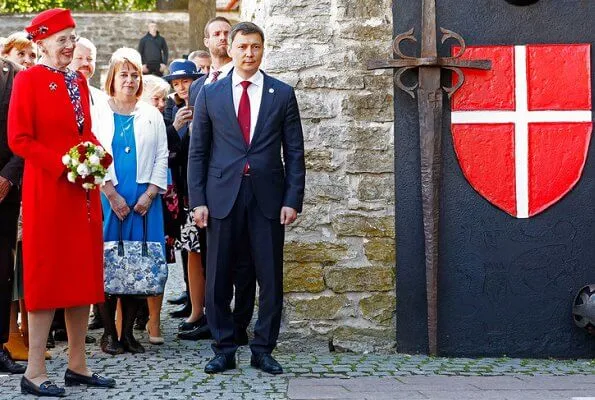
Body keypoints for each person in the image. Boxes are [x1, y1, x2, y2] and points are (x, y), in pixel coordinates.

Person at [8, 8, 116, 396]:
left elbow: (85, 131)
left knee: (81, 273)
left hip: (82, 193)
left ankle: (78, 365)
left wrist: (99, 157)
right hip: (48, 191)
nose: (70, 46)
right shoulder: (29, 80)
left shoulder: (78, 82)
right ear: (42, 42)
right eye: (62, 39)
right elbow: (19, 139)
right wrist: (64, 164)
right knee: (48, 274)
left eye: (73, 38)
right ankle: (34, 371)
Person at [188, 22, 306, 375]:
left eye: (255, 47)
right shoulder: (210, 94)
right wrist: (198, 201)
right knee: (219, 276)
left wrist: (293, 199)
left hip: (268, 199)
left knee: (269, 277)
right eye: (242, 47)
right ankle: (224, 348)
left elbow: (295, 152)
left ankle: (263, 348)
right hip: (221, 197)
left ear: (262, 49)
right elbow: (198, 152)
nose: (249, 53)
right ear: (232, 48)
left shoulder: (281, 93)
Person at [187, 16, 257, 347]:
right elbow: (198, 146)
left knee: (246, 265)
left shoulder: (247, 78)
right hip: (215, 188)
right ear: (208, 41)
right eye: (216, 34)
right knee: (215, 262)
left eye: (227, 33)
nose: (222, 39)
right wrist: (197, 195)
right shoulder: (201, 87)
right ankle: (216, 325)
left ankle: (239, 325)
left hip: (249, 186)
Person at [95, 47, 168, 354]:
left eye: (134, 74)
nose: (129, 80)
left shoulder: (151, 114)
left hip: (144, 201)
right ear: (112, 78)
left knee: (140, 265)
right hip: (108, 197)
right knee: (107, 265)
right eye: (123, 74)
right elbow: (91, 155)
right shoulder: (99, 112)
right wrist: (111, 194)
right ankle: (109, 334)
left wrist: (151, 194)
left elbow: (162, 155)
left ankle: (128, 333)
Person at [161, 59, 211, 341]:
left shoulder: (207, 104)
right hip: (183, 191)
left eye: (186, 82)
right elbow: (169, 152)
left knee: (205, 254)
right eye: (177, 84)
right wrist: (177, 127)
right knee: (191, 252)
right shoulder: (173, 111)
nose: (181, 88)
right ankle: (195, 308)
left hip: (204, 191)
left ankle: (204, 309)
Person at [68, 36, 110, 332]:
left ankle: (99, 314)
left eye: (90, 58)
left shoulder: (98, 96)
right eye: (80, 57)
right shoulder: (66, 91)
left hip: (101, 179)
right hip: (73, 181)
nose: (85, 64)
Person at [1, 30, 36, 365]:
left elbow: (29, 138)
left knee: (13, 269)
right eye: (20, 54)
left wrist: (10, 177)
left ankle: (13, 340)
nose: (26, 62)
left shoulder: (24, 86)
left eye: (31, 56)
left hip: (18, 191)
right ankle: (7, 338)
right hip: (9, 188)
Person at [0, 56, 25, 375]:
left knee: (2, 269)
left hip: (4, 191)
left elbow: (26, 131)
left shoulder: (15, 76)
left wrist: (8, 176)